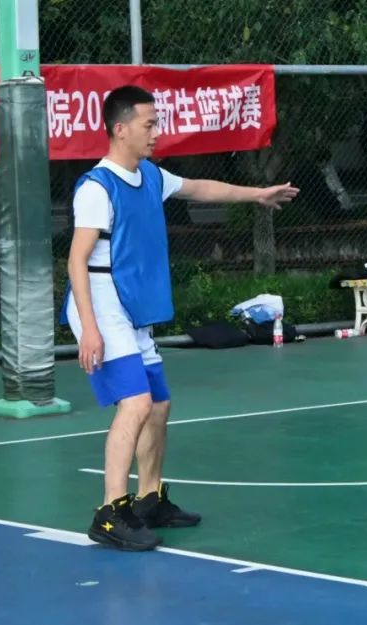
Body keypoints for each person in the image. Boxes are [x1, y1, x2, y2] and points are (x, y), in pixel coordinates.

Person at [62, 85, 299, 551]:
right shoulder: (97, 187)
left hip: (131, 303)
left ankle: (149, 500)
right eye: (149, 124)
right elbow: (76, 260)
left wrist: (258, 194)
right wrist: (89, 328)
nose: (157, 132)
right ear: (120, 129)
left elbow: (201, 188)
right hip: (101, 299)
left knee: (159, 404)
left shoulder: (150, 176)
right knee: (135, 403)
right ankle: (109, 514)